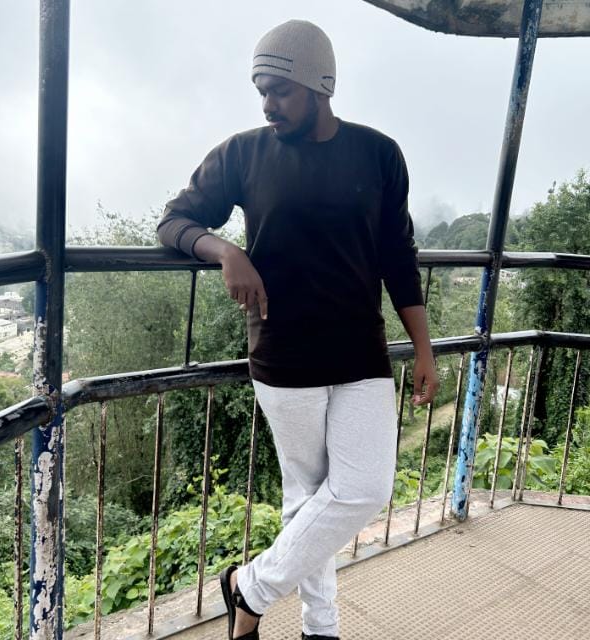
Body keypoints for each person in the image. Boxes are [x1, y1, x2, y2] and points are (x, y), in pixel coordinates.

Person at [157, 19, 439, 640]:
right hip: (283, 354)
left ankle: (248, 587)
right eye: (261, 90)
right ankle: (321, 628)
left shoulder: (379, 154)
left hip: (361, 352)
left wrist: (424, 350)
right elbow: (174, 221)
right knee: (306, 496)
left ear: (320, 85)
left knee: (365, 488)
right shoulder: (243, 153)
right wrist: (225, 251)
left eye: (280, 90)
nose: (267, 104)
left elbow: (399, 257)